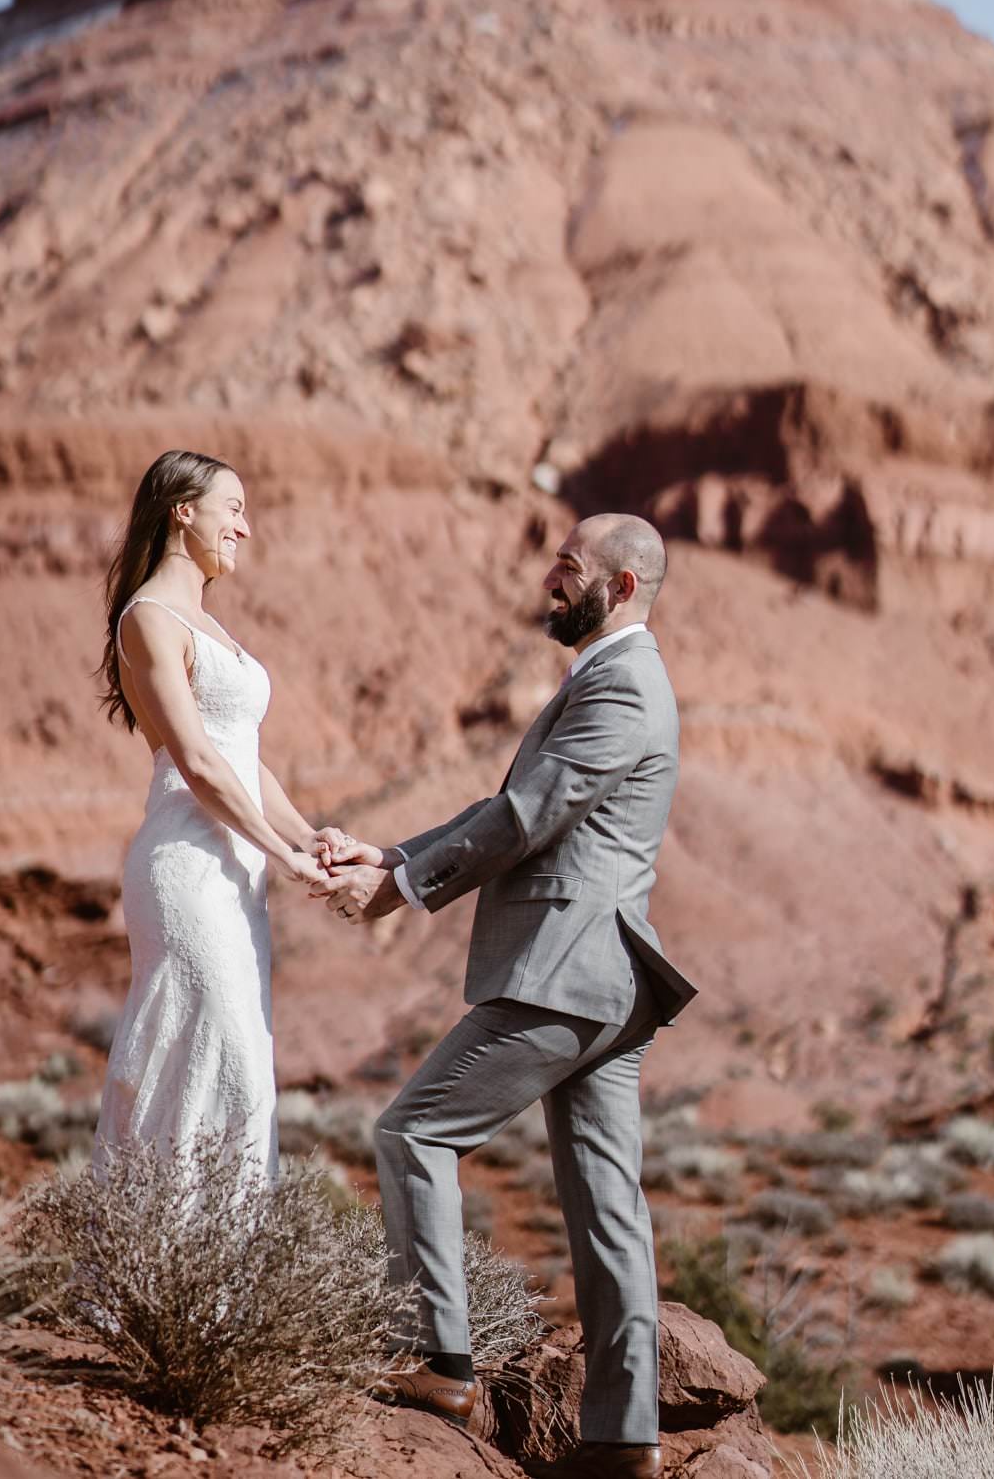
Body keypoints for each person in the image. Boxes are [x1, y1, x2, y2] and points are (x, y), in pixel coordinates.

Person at [325, 513, 694, 1479]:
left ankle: (438, 1361)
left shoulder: (624, 688)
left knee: (415, 1133)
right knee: (608, 1204)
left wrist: (403, 892)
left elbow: (527, 817)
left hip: (566, 974)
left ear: (619, 589)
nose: (548, 581)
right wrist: (396, 852)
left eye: (568, 570)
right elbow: (509, 806)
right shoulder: (609, 680)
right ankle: (623, 1440)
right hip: (604, 980)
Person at [91, 449, 350, 1184]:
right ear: (183, 510)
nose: (245, 527)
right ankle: (167, 1274)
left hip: (236, 870)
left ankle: (222, 1288)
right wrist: (283, 852)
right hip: (189, 866)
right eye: (232, 508)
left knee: (242, 1070)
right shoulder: (149, 619)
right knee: (216, 1056)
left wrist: (306, 836)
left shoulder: (208, 623)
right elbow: (198, 762)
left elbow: (244, 759)